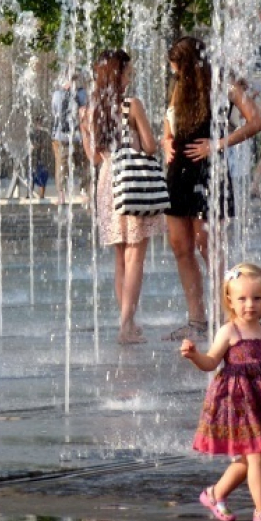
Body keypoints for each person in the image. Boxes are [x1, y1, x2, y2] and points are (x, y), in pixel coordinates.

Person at [180, 262, 261, 521]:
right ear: (229, 299)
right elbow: (211, 362)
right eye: (242, 298)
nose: (249, 304)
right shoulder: (229, 331)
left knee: (248, 459)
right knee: (256, 455)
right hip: (239, 404)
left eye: (257, 298)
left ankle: (214, 494)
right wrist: (194, 355)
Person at [161, 37, 261, 341]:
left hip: (209, 171)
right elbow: (167, 123)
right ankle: (196, 319)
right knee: (180, 246)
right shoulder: (177, 87)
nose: (173, 71)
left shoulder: (224, 86)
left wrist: (218, 144)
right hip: (177, 170)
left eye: (176, 64)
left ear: (191, 63)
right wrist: (166, 140)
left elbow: (256, 121)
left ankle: (227, 315)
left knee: (209, 246)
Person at [79, 49, 164, 344]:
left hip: (108, 182)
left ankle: (127, 321)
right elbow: (151, 146)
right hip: (134, 180)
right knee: (135, 256)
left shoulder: (89, 110)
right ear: (119, 74)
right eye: (128, 72)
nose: (131, 77)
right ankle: (126, 325)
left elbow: (93, 157)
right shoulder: (132, 105)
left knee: (120, 257)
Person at [51, 71, 88, 205]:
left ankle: (69, 194)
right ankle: (78, 193)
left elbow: (55, 111)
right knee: (73, 165)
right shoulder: (80, 93)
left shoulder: (59, 94)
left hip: (68, 135)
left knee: (65, 165)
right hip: (70, 136)